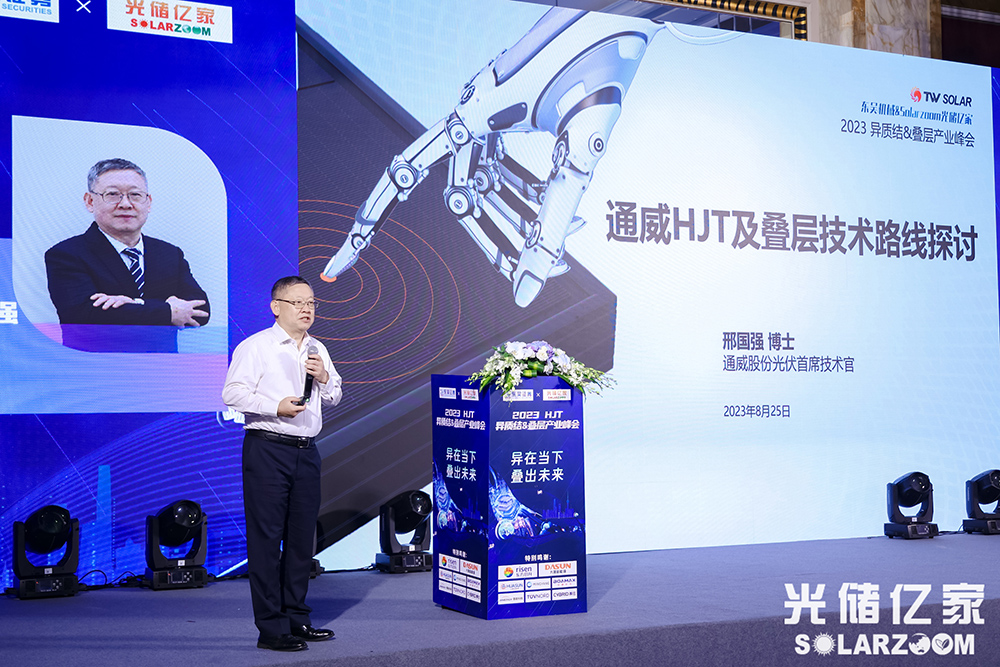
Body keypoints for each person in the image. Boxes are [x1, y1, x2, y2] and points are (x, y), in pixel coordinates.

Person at [222, 276, 342, 652]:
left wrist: (324, 377)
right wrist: (275, 406)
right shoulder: (256, 346)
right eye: (298, 302)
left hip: (307, 451)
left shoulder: (318, 348)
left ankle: (297, 618)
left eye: (311, 303)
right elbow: (232, 393)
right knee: (266, 540)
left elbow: (335, 395)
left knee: (301, 540)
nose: (307, 309)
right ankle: (271, 628)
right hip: (268, 449)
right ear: (276, 307)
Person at [44, 158, 209, 353]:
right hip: (96, 368)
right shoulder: (66, 254)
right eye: (113, 194)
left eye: (135, 195)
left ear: (148, 202)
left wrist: (136, 304)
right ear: (90, 201)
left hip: (160, 368)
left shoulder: (169, 254)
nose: (125, 204)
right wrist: (167, 311)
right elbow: (86, 316)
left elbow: (201, 311)